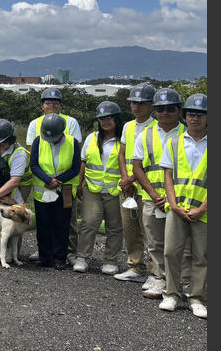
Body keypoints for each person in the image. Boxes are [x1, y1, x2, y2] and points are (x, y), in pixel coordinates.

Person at [132, 87, 186, 299]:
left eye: (170, 109)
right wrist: (154, 194)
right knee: (155, 242)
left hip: (180, 200)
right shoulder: (145, 135)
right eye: (160, 109)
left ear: (179, 110)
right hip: (151, 198)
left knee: (183, 244)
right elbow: (137, 167)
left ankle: (181, 282)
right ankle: (159, 278)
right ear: (154, 111)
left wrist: (170, 198)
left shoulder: (187, 134)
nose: (164, 113)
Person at [159, 93, 207, 319]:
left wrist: (203, 208)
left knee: (201, 255)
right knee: (171, 252)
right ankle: (171, 294)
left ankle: (196, 297)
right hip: (177, 208)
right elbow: (168, 175)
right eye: (191, 114)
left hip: (204, 211)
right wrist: (173, 203)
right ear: (185, 118)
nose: (195, 118)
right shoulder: (174, 142)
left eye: (200, 114)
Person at [26, 86, 82, 263]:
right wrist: (48, 180)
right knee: (43, 223)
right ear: (42, 105)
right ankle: (45, 255)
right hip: (43, 186)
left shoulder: (71, 130)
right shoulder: (36, 131)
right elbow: (33, 162)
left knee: (62, 224)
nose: (51, 105)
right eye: (47, 102)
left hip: (64, 187)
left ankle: (61, 257)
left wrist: (58, 181)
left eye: (55, 102)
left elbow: (75, 165)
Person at [74, 101, 125, 275]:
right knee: (89, 222)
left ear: (117, 119)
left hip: (115, 189)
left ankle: (111, 260)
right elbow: (84, 162)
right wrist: (79, 184)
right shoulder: (91, 137)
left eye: (109, 118)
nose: (105, 121)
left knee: (115, 226)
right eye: (102, 118)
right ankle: (82, 257)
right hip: (92, 188)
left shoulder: (123, 140)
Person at [113, 83, 156, 283]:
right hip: (128, 186)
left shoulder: (157, 127)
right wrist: (125, 178)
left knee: (151, 232)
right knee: (130, 229)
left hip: (148, 187)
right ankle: (135, 267)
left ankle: (156, 273)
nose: (136, 107)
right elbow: (122, 155)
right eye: (133, 103)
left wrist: (132, 178)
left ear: (151, 105)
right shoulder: (129, 126)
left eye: (142, 103)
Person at [0, 118, 32, 204]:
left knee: (15, 208)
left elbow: (15, 181)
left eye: (2, 142)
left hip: (20, 184)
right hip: (0, 179)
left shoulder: (19, 154)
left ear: (10, 139)